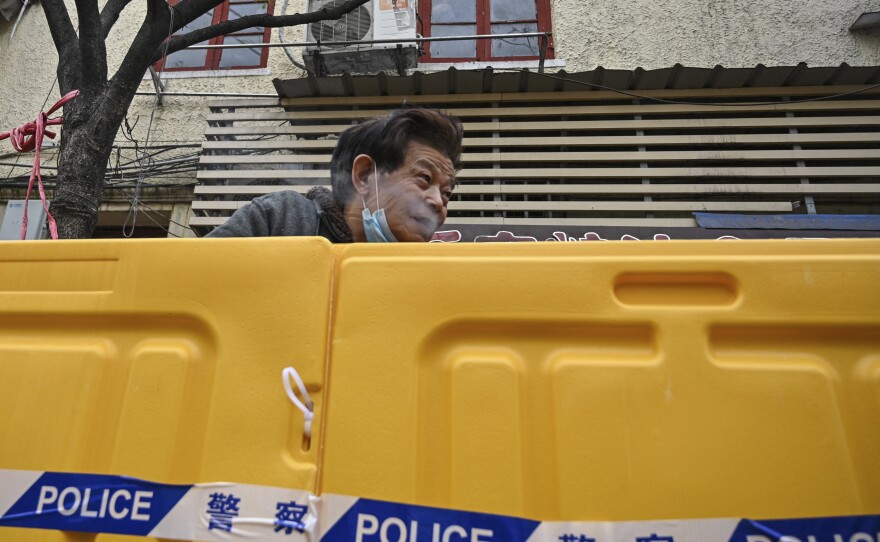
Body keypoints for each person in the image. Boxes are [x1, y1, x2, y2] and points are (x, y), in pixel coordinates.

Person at [206, 108, 463, 242]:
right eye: (425, 179)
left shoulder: (426, 273)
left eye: (446, 193)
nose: (438, 203)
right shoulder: (282, 217)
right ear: (364, 177)